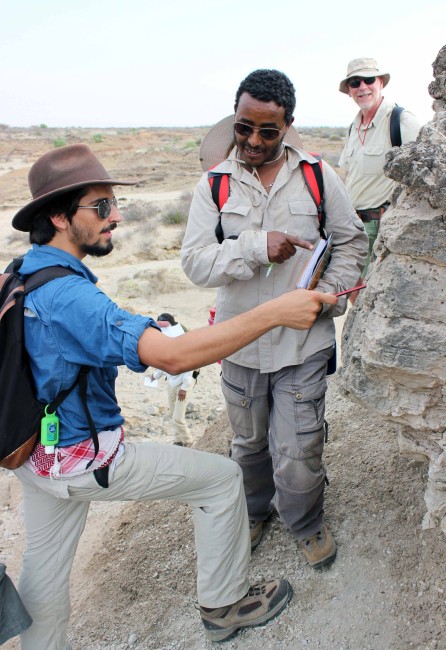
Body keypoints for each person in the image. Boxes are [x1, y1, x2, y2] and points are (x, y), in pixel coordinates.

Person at [10, 143, 338, 649]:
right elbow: (174, 359)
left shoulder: (26, 273)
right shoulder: (71, 294)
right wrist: (276, 312)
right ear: (57, 215)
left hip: (38, 457)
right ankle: (225, 606)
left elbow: (67, 344)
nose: (115, 216)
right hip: (83, 457)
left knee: (44, 581)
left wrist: (143, 328)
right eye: (100, 207)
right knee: (221, 479)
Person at [181, 69, 368, 569]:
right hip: (239, 345)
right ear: (234, 119)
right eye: (245, 128)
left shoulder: (317, 177)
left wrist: (327, 295)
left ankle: (305, 521)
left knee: (299, 449)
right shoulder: (214, 185)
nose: (254, 141)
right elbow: (195, 261)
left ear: (288, 125)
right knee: (247, 443)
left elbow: (351, 241)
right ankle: (255, 511)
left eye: (268, 131)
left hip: (302, 344)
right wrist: (253, 246)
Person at [338, 57, 421, 290]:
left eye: (368, 80)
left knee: (369, 292)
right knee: (350, 289)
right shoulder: (353, 127)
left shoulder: (400, 120)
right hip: (353, 225)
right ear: (349, 91)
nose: (362, 87)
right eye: (355, 82)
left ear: (380, 83)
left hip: (380, 224)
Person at [149, 312, 195, 447]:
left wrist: (184, 388)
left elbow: (189, 366)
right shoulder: (168, 341)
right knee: (172, 412)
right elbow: (166, 364)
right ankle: (179, 439)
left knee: (178, 417)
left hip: (183, 385)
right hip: (171, 382)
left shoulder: (181, 340)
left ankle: (188, 441)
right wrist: (155, 376)